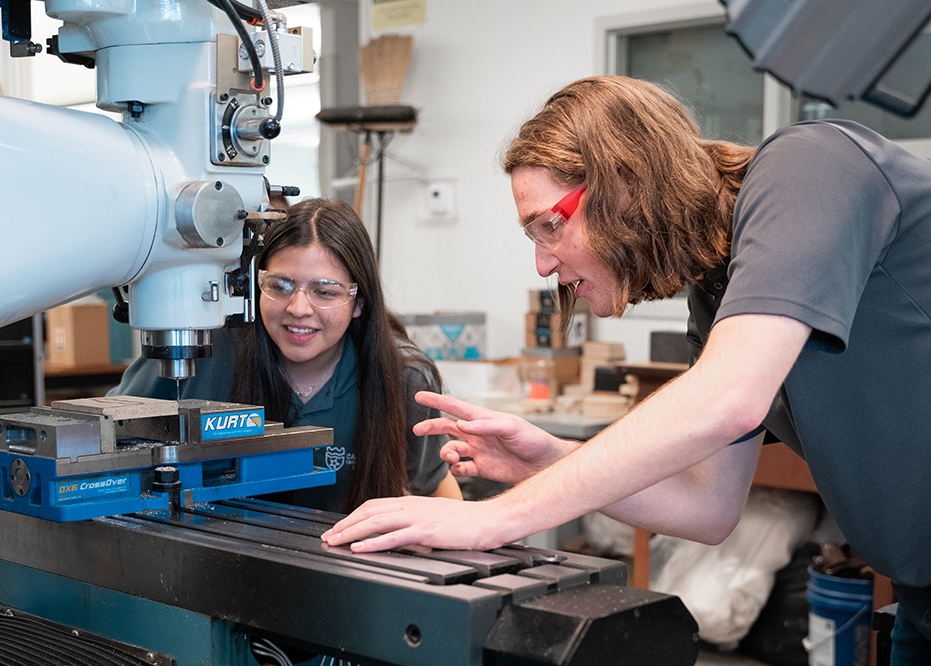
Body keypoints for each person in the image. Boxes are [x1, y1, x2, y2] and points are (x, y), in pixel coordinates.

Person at [322, 75, 931, 662]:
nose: (541, 264)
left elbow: (730, 397)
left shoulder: (811, 168)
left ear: (624, 181)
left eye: (550, 225)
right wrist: (550, 458)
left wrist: (492, 518)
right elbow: (710, 507)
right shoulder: (716, 291)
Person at [110, 197, 461, 512]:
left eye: (325, 292)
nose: (298, 308)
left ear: (359, 302)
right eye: (280, 286)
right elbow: (111, 433)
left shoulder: (403, 378)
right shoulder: (202, 350)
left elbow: (437, 494)